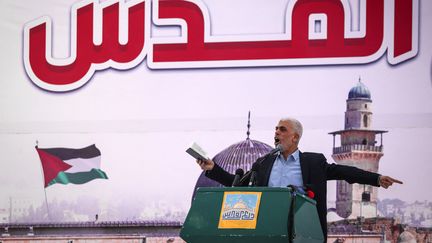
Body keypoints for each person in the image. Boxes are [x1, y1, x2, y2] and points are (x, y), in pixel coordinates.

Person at [197, 117, 402, 241]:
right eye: (276, 129)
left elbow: (344, 172)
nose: (276, 132)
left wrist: (376, 178)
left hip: (301, 233)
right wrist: (212, 169)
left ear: (295, 137)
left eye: (282, 129)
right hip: (267, 230)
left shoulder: (313, 162)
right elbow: (239, 186)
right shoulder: (263, 162)